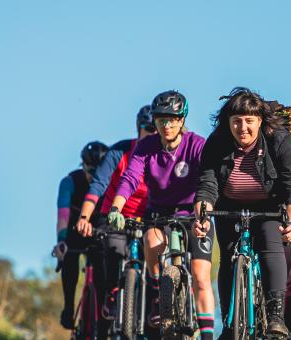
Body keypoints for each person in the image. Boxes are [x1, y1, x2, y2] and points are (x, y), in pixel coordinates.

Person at [194, 87, 291, 339]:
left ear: (260, 121)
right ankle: (230, 324)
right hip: (228, 206)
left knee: (270, 247)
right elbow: (207, 185)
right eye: (236, 121)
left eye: (248, 121)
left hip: (269, 206)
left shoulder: (279, 139)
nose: (242, 127)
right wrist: (201, 217)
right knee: (228, 259)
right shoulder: (217, 141)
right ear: (228, 122)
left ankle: (276, 316)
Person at [105, 91, 216, 338]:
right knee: (151, 242)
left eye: (173, 119)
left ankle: (207, 334)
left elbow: (209, 179)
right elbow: (130, 178)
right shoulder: (146, 146)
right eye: (161, 120)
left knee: (200, 275)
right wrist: (116, 208)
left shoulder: (197, 144)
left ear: (182, 120)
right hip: (159, 215)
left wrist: (204, 211)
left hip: (194, 212)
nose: (166, 125)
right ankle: (159, 292)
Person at [76, 105, 156, 320]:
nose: (153, 133)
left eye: (156, 128)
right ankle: (112, 292)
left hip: (150, 217)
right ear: (138, 129)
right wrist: (84, 217)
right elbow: (98, 186)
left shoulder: (163, 155)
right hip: (115, 216)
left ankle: (157, 301)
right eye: (148, 128)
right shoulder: (119, 151)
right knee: (114, 248)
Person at [53, 141, 109, 330]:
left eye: (99, 173)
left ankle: (103, 319)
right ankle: (68, 307)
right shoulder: (69, 182)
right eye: (91, 171)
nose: (94, 178)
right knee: (69, 255)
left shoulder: (110, 184)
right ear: (83, 165)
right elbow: (62, 214)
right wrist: (61, 240)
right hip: (75, 232)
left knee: (104, 273)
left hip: (100, 233)